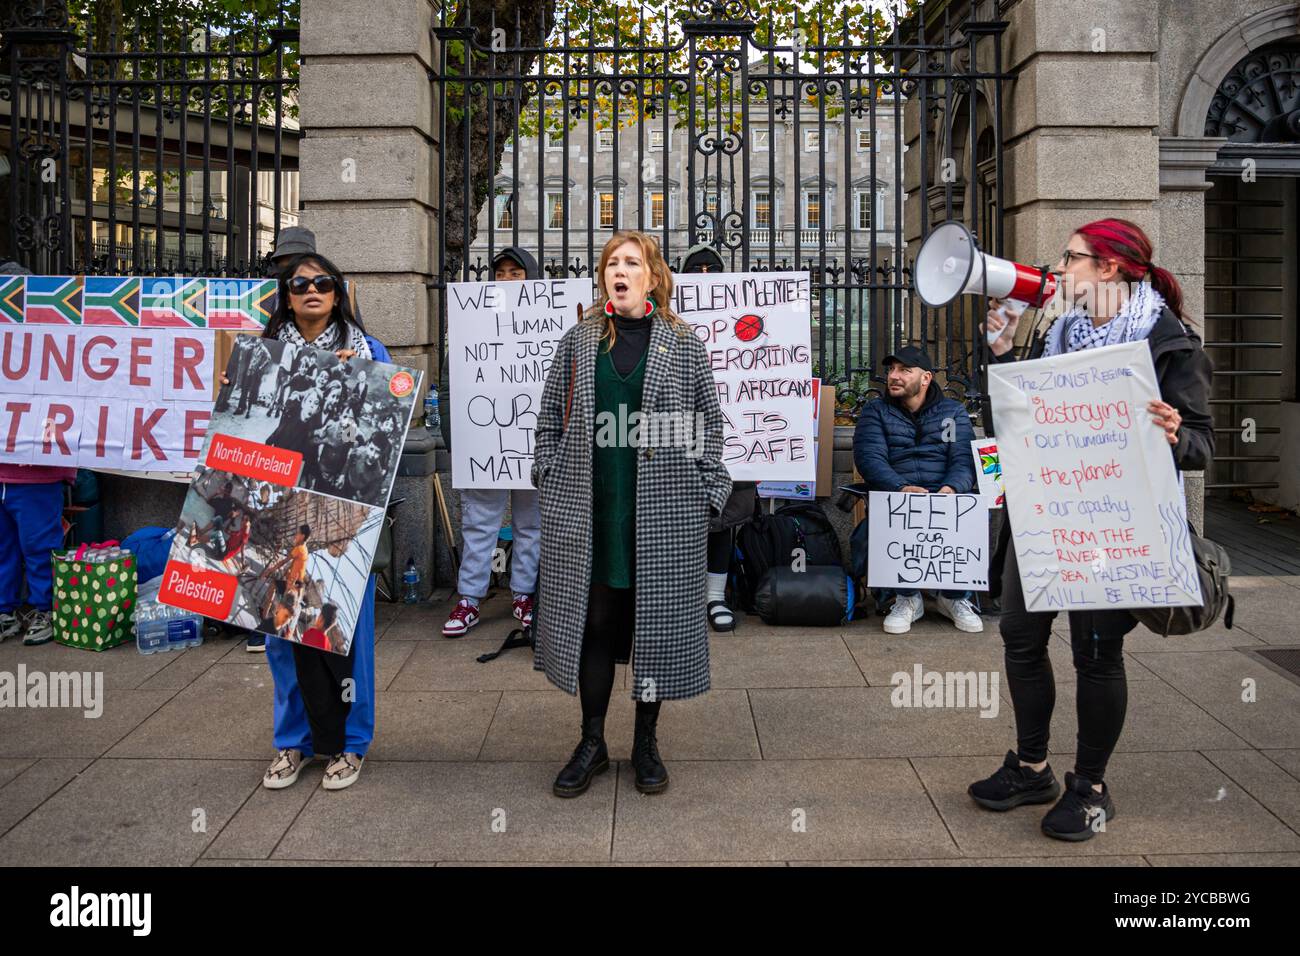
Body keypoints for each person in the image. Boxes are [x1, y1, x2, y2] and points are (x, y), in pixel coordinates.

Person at [969, 218, 1213, 842]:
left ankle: (1091, 787)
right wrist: (999, 354)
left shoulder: (1169, 342)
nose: (1061, 267)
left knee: (1096, 654)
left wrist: (1173, 432)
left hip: (1113, 523)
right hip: (1046, 512)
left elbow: (1202, 446)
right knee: (1021, 637)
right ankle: (1032, 767)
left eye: (1072, 257)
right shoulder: (1056, 331)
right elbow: (1016, 421)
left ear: (1109, 268)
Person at [533, 230, 731, 797]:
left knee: (655, 627)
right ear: (603, 277)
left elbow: (709, 426)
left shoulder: (683, 343)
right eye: (611, 263)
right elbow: (548, 422)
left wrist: (701, 489)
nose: (619, 271)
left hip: (663, 512)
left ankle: (646, 742)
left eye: (631, 263)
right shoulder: (578, 342)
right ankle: (591, 742)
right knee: (594, 622)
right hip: (590, 511)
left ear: (652, 275)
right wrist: (548, 475)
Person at [228, 251, 389, 792]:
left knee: (345, 629)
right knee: (280, 627)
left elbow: (389, 425)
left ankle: (352, 743)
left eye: (323, 283)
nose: (312, 291)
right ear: (287, 295)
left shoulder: (370, 351)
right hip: (276, 503)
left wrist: (359, 383)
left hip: (345, 511)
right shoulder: (263, 356)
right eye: (300, 284)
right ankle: (291, 743)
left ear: (338, 293)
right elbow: (242, 427)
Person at [441, 247, 543, 637]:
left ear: (531, 280)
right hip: (485, 445)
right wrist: (457, 440)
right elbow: (451, 386)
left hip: (532, 444)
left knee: (531, 525)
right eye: (500, 273)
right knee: (479, 524)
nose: (507, 280)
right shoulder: (472, 323)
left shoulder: (549, 323)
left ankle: (524, 594)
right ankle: (469, 598)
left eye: (516, 273)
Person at [853, 345, 981, 634]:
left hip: (944, 495)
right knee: (885, 521)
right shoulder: (876, 411)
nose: (893, 376)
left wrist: (951, 488)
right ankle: (907, 598)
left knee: (970, 513)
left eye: (903, 370)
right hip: (899, 495)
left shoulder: (953, 412)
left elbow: (963, 458)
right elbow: (870, 458)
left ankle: (954, 598)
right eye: (891, 370)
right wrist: (900, 487)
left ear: (926, 378)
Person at [680, 243, 756, 632]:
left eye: (713, 269)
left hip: (732, 436)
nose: (705, 276)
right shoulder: (667, 322)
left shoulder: (744, 316)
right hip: (676, 436)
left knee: (722, 519)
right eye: (696, 270)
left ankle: (715, 596)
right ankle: (682, 596)